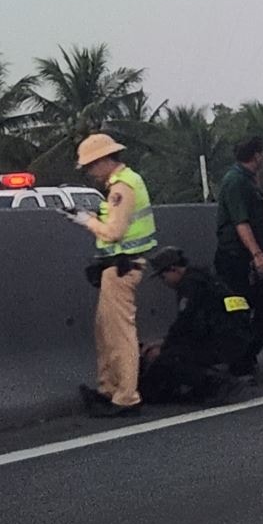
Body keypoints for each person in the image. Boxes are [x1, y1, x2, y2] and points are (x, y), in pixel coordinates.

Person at [70, 133, 159, 416]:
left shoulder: (123, 186)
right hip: (118, 267)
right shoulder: (125, 183)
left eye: (91, 166)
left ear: (104, 160)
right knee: (105, 330)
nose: (90, 173)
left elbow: (114, 232)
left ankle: (126, 397)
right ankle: (108, 388)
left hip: (123, 267)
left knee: (120, 335)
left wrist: (87, 221)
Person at [138, 246, 254, 403]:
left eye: (163, 277)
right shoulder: (202, 278)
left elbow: (185, 325)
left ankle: (218, 383)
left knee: (172, 358)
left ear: (173, 269)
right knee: (177, 350)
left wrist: (164, 347)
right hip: (235, 337)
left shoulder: (190, 286)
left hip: (224, 342)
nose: (163, 282)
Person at [215, 135, 263, 376]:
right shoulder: (236, 181)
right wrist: (256, 253)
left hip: (247, 257)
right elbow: (240, 222)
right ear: (257, 155)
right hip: (237, 258)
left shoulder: (249, 180)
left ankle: (245, 358)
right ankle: (239, 361)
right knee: (242, 310)